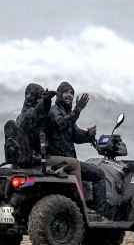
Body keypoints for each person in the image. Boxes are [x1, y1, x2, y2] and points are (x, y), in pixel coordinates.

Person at [44, 82, 107, 214]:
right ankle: (92, 209)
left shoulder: (67, 114)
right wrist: (77, 110)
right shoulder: (54, 111)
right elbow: (61, 124)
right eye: (66, 92)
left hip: (69, 160)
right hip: (58, 160)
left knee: (98, 174)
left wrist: (88, 135)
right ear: (59, 94)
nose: (70, 95)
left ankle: (99, 213)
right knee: (99, 175)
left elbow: (76, 136)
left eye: (72, 93)